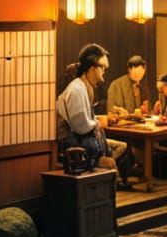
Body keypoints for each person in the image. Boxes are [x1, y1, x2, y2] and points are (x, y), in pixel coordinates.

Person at [55, 44, 135, 188]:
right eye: (102, 68)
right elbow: (81, 127)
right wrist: (97, 123)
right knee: (111, 153)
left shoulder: (85, 87)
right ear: (92, 68)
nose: (104, 71)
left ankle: (117, 180)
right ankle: (109, 176)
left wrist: (96, 122)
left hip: (83, 139)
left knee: (121, 148)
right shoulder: (76, 89)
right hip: (75, 144)